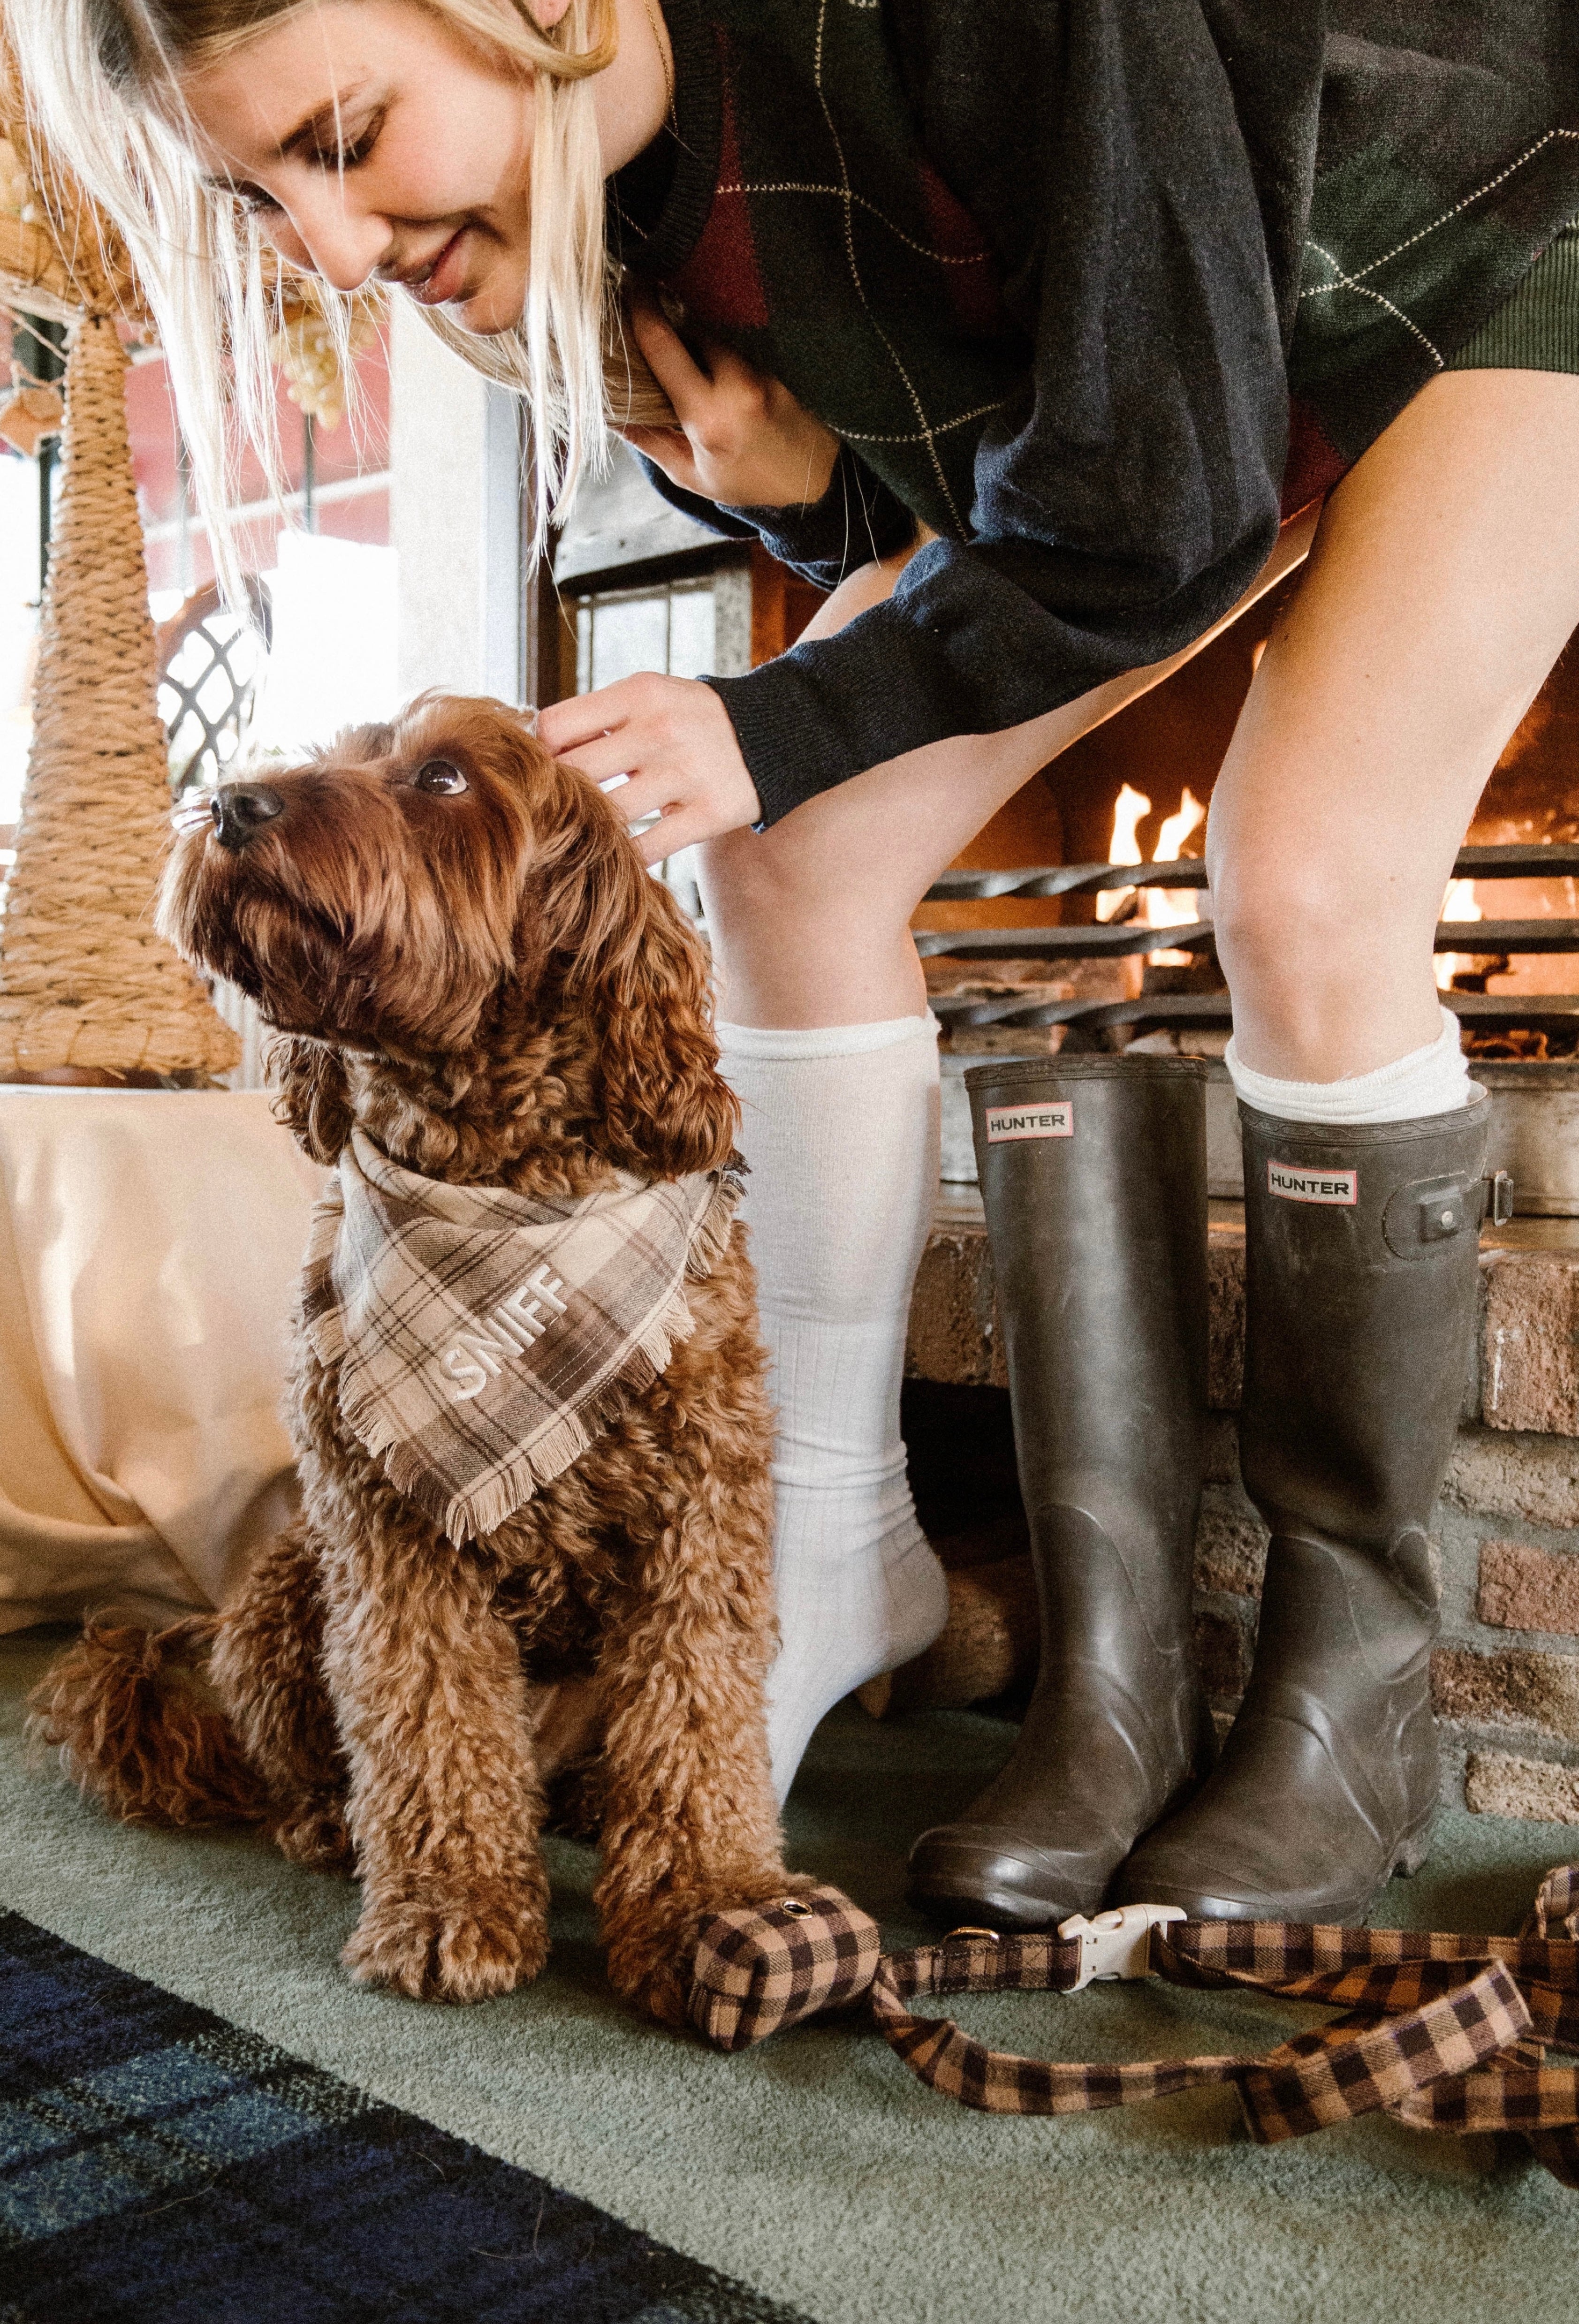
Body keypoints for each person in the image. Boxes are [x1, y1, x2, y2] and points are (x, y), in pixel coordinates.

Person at [16, 0, 1579, 1923]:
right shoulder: (603, 190)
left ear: (542, 10)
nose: (330, 250)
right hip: (1193, 388)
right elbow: (981, 459)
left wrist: (761, 722)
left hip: (1474, 246)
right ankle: (836, 1545)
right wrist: (782, 493)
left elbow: (1144, 485)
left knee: (1302, 884)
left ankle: (1352, 1687)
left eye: (342, 142)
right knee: (797, 843)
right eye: (255, 200)